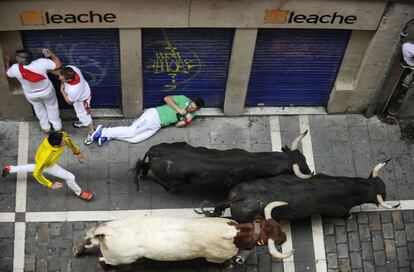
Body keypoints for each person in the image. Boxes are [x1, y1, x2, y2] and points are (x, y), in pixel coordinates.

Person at [2, 131, 93, 200]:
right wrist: (50, 184)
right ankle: (79, 192)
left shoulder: (61, 135)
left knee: (35, 167)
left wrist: (77, 152)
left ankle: (10, 169)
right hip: (47, 164)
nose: (65, 140)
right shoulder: (47, 156)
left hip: (42, 159)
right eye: (63, 142)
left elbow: (68, 141)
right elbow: (37, 174)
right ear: (56, 146)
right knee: (70, 177)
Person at [91, 95, 204, 146]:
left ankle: (108, 136)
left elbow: (177, 125)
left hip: (157, 125)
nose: (190, 108)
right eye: (191, 105)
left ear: (197, 109)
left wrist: (187, 121)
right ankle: (104, 131)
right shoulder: (184, 99)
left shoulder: (191, 114)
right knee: (131, 131)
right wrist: (179, 109)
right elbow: (167, 98)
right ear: (191, 102)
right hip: (154, 115)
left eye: (193, 108)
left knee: (135, 139)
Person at [4, 48, 62, 132]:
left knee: (38, 109)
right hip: (47, 91)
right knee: (52, 107)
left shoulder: (15, 68)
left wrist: (6, 62)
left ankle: (45, 127)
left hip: (31, 94)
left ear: (18, 60)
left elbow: (7, 74)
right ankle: (57, 127)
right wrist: (51, 54)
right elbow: (58, 64)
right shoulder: (41, 62)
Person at [58, 66, 94, 145]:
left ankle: (92, 132)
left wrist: (62, 91)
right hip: (81, 94)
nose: (59, 78)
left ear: (69, 80)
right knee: (81, 115)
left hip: (82, 101)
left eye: (61, 78)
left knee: (85, 116)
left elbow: (70, 102)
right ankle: (82, 121)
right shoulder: (72, 68)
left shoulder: (74, 90)